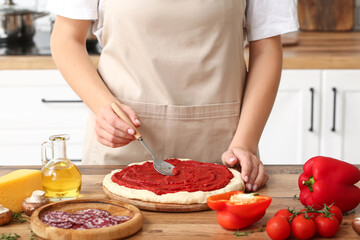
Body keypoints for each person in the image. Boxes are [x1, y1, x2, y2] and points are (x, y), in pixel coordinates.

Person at [47, 0, 298, 192]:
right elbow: (67, 38)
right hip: (121, 143)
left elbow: (266, 47)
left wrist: (246, 143)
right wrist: (104, 108)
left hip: (223, 148)